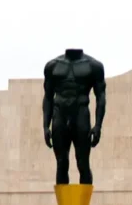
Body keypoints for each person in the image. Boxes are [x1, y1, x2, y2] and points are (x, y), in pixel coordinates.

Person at [42, 48, 106, 185]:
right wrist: (45, 126)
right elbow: (48, 97)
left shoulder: (93, 66)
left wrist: (98, 126)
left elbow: (101, 96)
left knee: (83, 163)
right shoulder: (52, 66)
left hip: (80, 115)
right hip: (60, 115)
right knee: (61, 164)